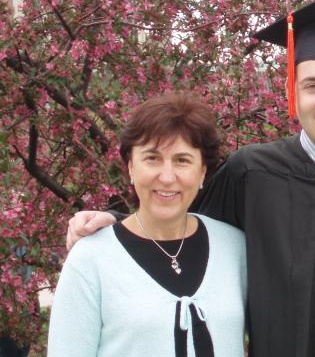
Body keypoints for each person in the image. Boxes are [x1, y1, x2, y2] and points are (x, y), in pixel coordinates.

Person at [66, 0, 315, 357]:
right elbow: (179, 221)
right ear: (291, 91)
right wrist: (114, 226)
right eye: (312, 85)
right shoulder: (252, 174)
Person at [48, 93, 247, 357]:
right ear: (131, 166)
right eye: (152, 158)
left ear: (202, 173)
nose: (166, 177)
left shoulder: (235, 247)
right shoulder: (91, 259)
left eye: (182, 160)